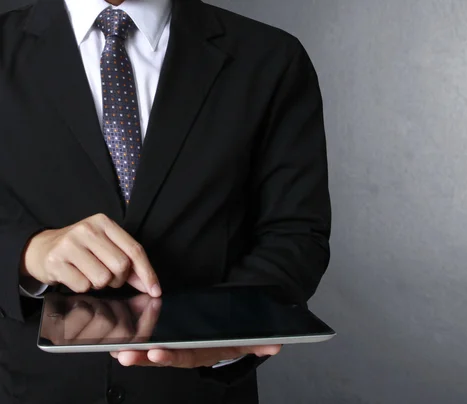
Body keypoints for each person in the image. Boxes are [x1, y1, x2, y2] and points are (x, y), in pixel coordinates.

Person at [0, 0, 331, 402]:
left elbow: (295, 233)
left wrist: (223, 335)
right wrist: (27, 254)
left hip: (200, 391)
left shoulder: (271, 58)